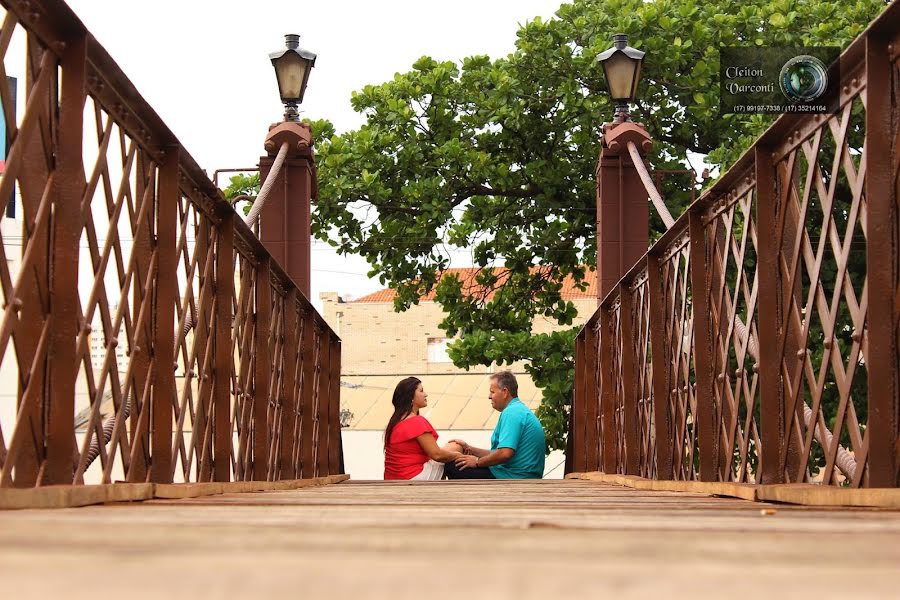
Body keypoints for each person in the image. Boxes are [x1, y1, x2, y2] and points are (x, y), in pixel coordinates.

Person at [445, 370, 546, 479]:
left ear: (505, 392)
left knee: (453, 466)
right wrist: (470, 449)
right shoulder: (519, 409)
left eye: (492, 392)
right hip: (518, 473)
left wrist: (477, 462)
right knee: (461, 463)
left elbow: (504, 453)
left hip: (515, 477)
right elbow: (497, 453)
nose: (489, 396)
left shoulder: (512, 413)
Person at [383, 377, 462, 480]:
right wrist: (458, 455)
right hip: (414, 476)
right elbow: (437, 455)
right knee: (456, 446)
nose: (426, 394)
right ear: (411, 396)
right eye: (421, 391)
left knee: (451, 450)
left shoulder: (395, 421)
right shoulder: (416, 421)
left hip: (394, 478)